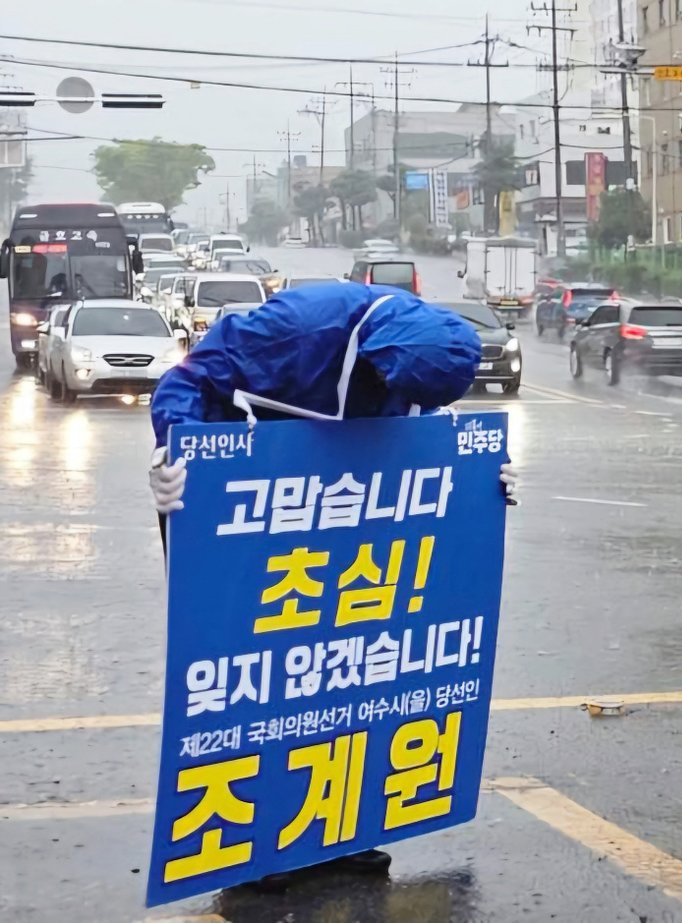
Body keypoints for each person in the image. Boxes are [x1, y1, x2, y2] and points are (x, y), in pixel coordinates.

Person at [147, 280, 518, 889]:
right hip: (239, 519)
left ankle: (339, 828)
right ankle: (252, 837)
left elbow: (432, 435)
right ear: (375, 358)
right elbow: (185, 383)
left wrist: (483, 484)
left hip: (344, 522)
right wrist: (172, 455)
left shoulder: (430, 345)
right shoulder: (294, 329)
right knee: (253, 676)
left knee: (351, 671)